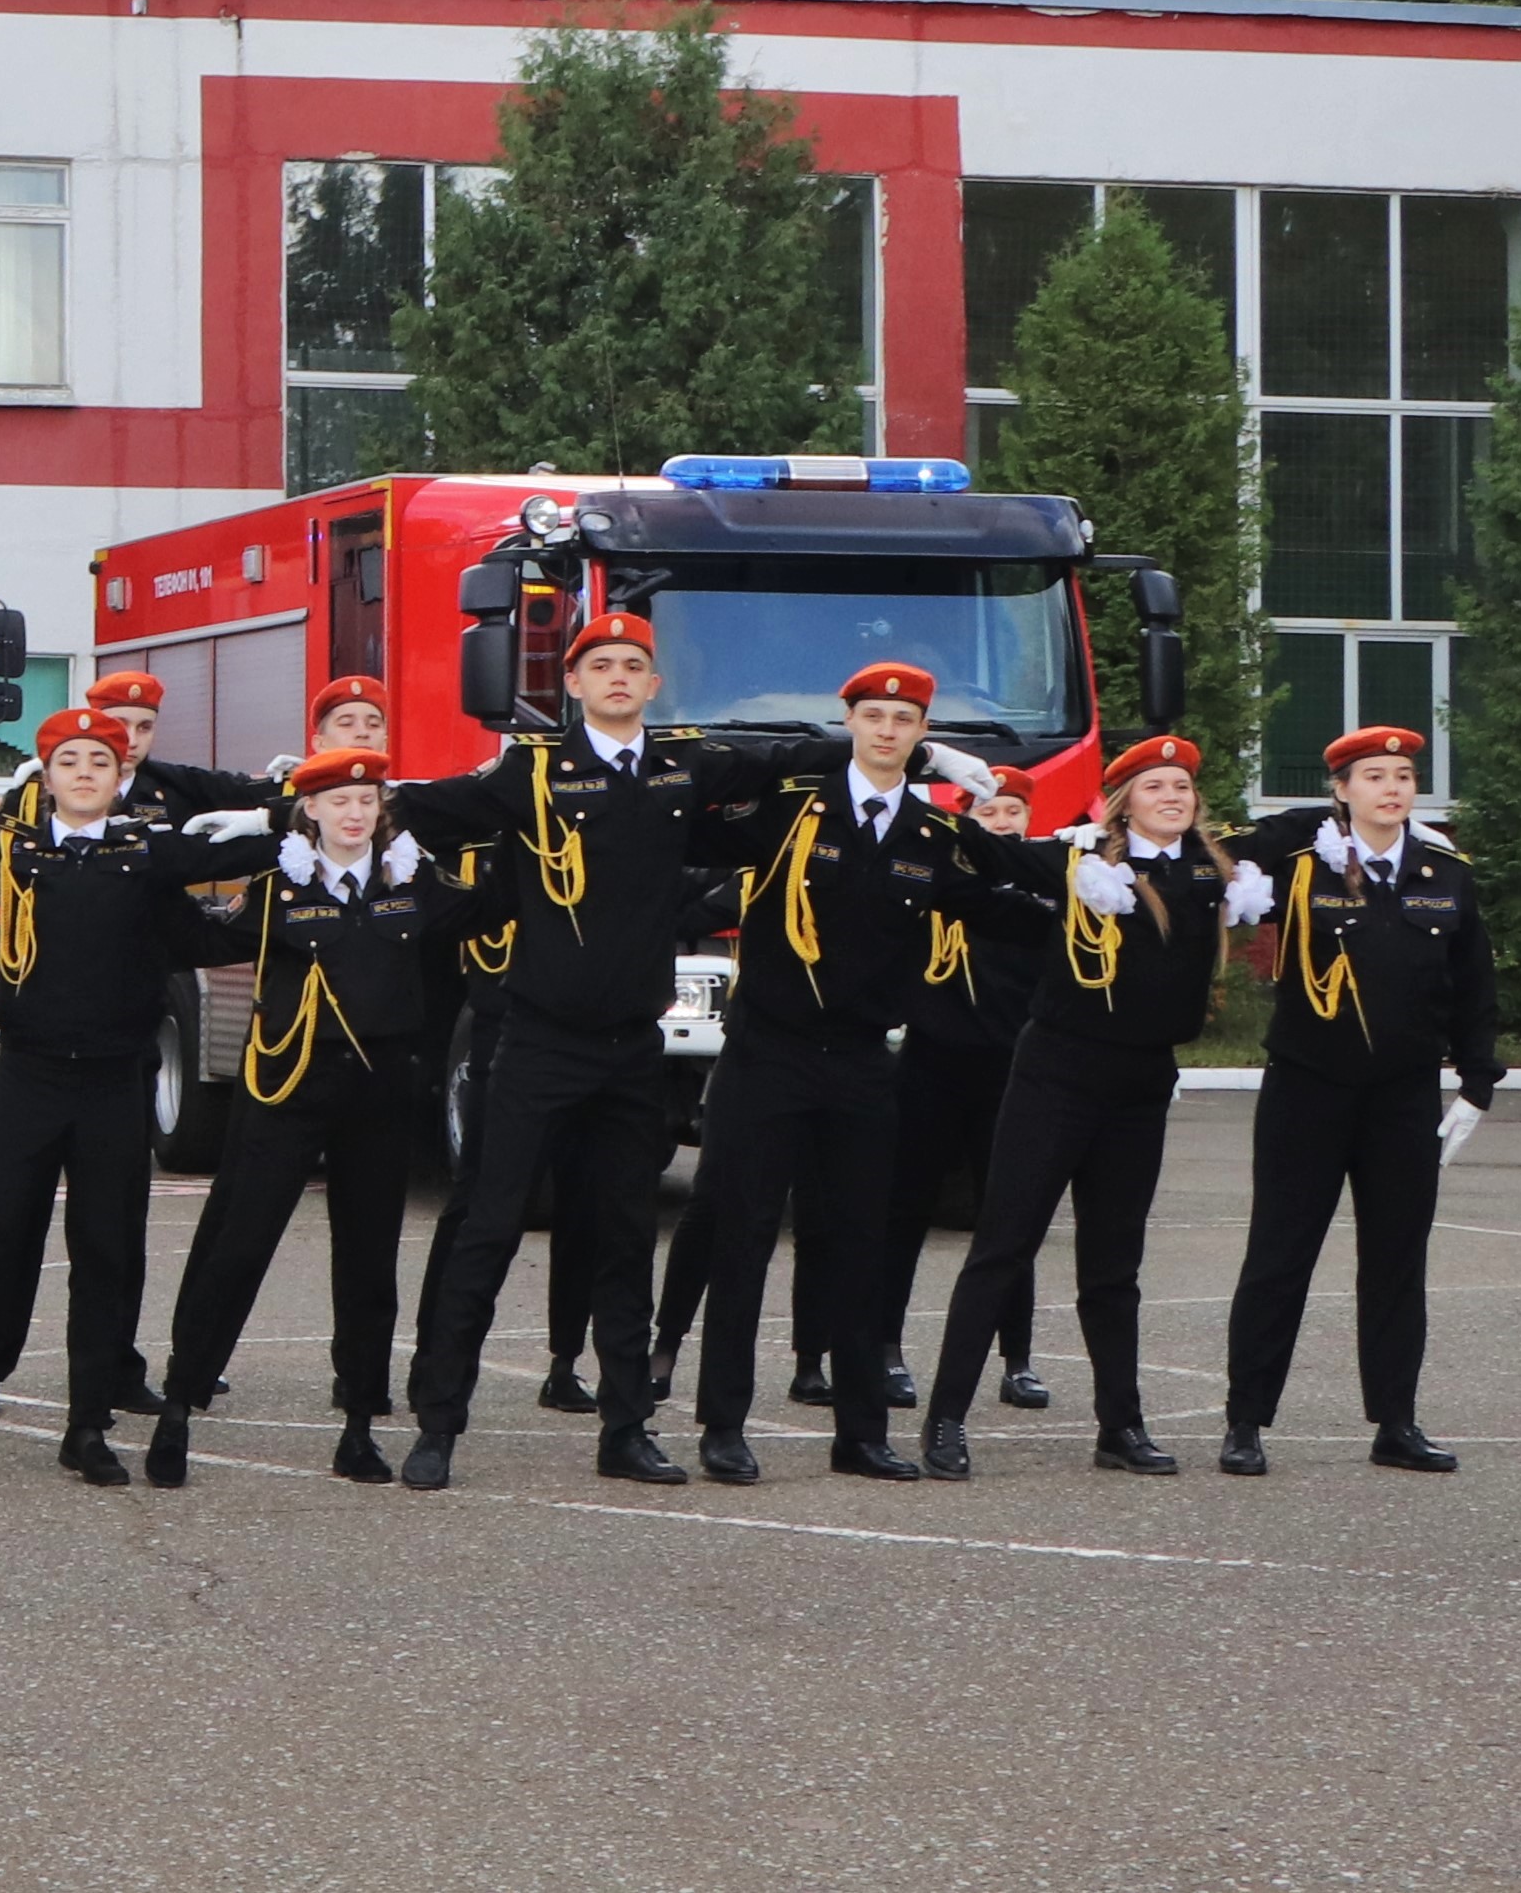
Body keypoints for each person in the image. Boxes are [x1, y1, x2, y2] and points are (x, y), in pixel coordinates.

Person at [381, 612, 830, 1493]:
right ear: (574, 685)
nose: (619, 676)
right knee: (489, 1228)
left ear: (653, 687)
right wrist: (307, 800)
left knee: (625, 1241)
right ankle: (438, 1425)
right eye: (600, 664)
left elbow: (789, 761)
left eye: (634, 665)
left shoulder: (679, 766)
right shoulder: (532, 771)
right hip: (539, 1042)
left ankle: (625, 1428)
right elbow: (416, 804)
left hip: (633, 1048)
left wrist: (918, 760)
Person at [663, 661, 1009, 1485]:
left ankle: (859, 1432)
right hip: (768, 1053)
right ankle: (722, 1424)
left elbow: (993, 903)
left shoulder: (926, 835)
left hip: (858, 1061)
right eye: (874, 715)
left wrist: (1087, 890)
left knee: (858, 1242)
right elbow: (696, 818)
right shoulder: (792, 807)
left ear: (922, 732)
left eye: (904, 718)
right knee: (742, 1240)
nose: (887, 729)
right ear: (847, 720)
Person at [0, 707, 234, 1489]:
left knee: (106, 1251)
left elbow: (199, 940)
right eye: (68, 760)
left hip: (111, 1081)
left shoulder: (144, 859)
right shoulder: (14, 856)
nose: (84, 771)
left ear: (121, 779)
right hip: (29, 1076)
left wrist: (290, 888)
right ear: (43, 778)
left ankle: (86, 1423)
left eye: (100, 760)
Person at [924, 734, 1235, 1478]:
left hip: (1139, 1082)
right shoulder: (1078, 857)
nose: (1172, 796)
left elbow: (1297, 844)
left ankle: (1118, 1426)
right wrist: (931, 777)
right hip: (1056, 1075)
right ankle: (944, 1418)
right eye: (1155, 786)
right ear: (1125, 801)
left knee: (1112, 1263)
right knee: (1003, 1245)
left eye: (1182, 786)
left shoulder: (1209, 867)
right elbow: (990, 853)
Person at [146, 749, 449, 1489]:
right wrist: (154, 867)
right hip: (285, 1092)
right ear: (307, 809)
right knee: (237, 1248)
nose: (353, 812)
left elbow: (492, 910)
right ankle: (178, 1410)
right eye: (336, 800)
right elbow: (197, 940)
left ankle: (357, 1424)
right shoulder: (278, 887)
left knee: (369, 1263)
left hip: (376, 1097)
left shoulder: (412, 882)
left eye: (366, 800)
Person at [1217, 724, 1501, 1476]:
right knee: (1278, 1256)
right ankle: (1245, 1420)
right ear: (1341, 789)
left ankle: (1395, 1421)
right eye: (1371, 775)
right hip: (1306, 1090)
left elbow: (1472, 979)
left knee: (1396, 1261)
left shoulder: (1445, 870)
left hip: (1402, 1096)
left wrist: (1476, 1080)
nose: (1391, 787)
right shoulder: (1301, 864)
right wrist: (1308, 826)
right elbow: (1226, 848)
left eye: (1402, 774)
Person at [889, 739, 1047, 1420]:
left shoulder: (1039, 893)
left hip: (1009, 1071)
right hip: (930, 1062)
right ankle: (884, 1347)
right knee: (901, 1212)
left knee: (1007, 1218)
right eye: (989, 808)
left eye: (1012, 810)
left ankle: (1017, 1359)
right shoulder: (938, 885)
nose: (1002, 819)